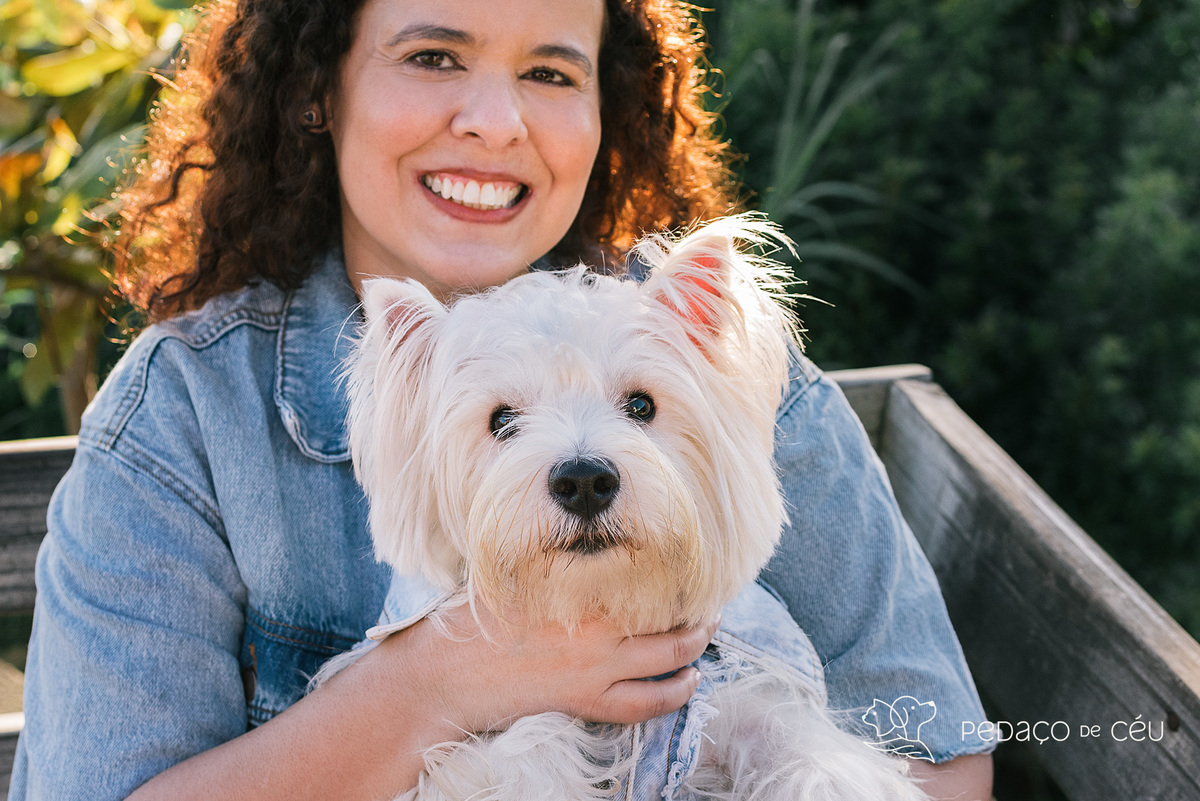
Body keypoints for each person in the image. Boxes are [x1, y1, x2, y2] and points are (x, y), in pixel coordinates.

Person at [12, 0, 995, 798]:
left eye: (551, 72)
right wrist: (429, 687)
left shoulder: (708, 352)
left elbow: (938, 756)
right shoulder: (183, 415)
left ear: (607, 108)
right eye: (434, 56)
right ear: (317, 87)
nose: (496, 120)